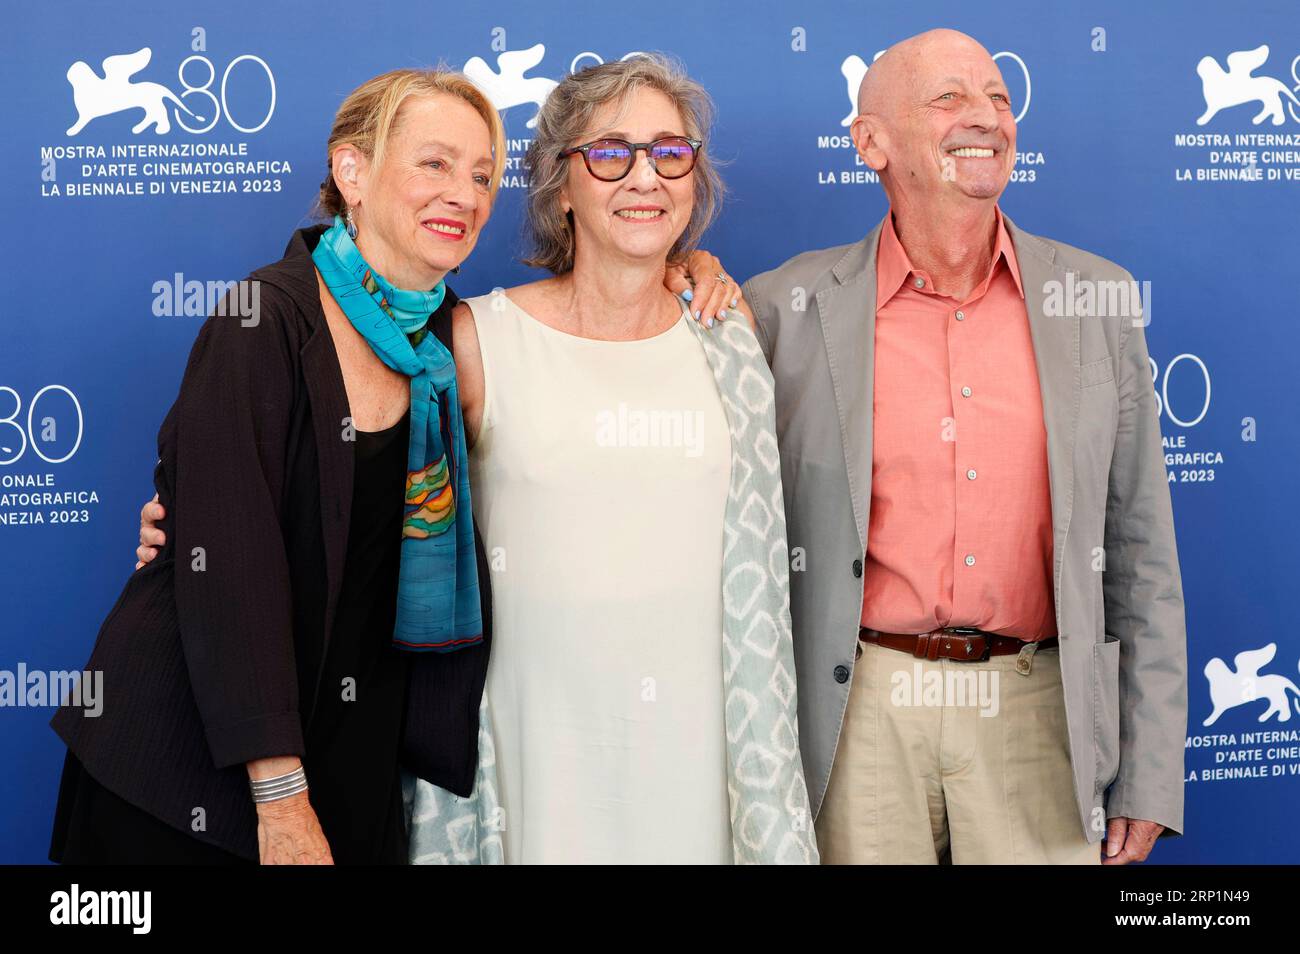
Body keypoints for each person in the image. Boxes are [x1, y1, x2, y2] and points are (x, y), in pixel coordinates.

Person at [58, 66, 733, 866]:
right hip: (188, 773)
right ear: (353, 173)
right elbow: (228, 577)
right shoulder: (263, 321)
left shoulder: (447, 343)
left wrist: (694, 268)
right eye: (434, 164)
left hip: (350, 756)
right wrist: (279, 800)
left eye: (482, 174)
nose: (465, 193)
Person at [737, 29, 1187, 864]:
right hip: (857, 715)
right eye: (949, 98)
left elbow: (1141, 552)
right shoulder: (782, 308)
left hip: (1040, 716)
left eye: (999, 99)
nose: (986, 117)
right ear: (871, 141)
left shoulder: (1099, 300)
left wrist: (1151, 771)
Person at [404, 54, 817, 864]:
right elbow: (377, 521)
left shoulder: (731, 339)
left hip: (698, 756)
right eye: (609, 152)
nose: (644, 177)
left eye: (669, 153)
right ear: (561, 186)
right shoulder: (475, 341)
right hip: (532, 753)